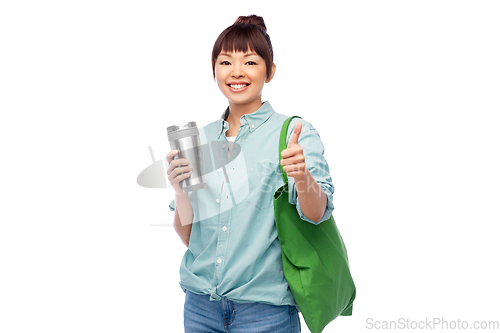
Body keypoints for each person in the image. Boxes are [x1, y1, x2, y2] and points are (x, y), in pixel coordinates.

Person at [166, 14, 334, 333]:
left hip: (265, 313)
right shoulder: (199, 139)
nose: (237, 72)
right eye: (226, 62)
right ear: (214, 70)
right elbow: (191, 238)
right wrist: (180, 192)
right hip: (200, 307)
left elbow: (316, 214)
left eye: (251, 62)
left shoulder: (294, 133)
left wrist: (301, 176)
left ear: (269, 71)